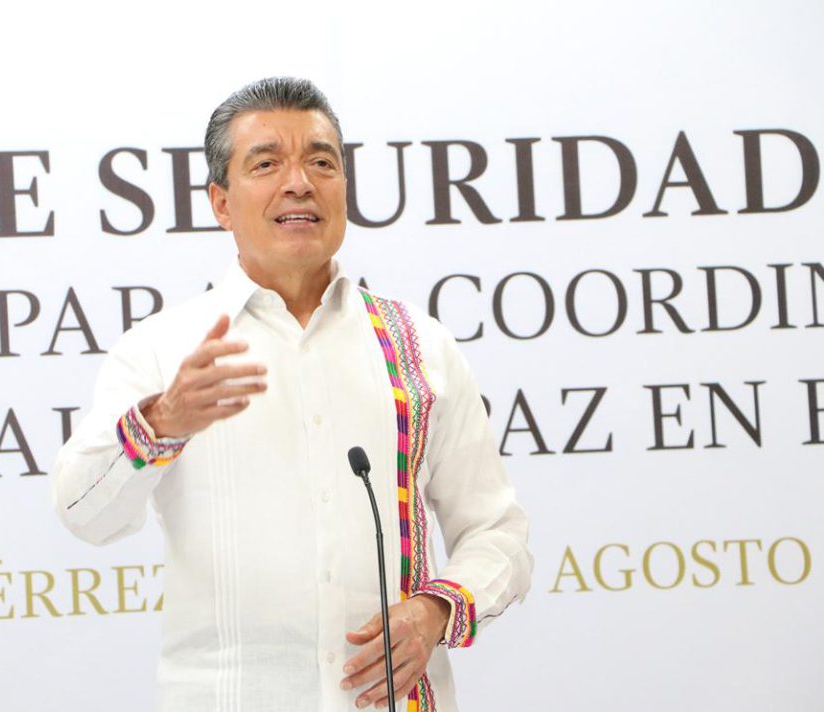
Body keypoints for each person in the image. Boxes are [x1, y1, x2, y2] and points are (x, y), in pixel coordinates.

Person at [51, 77, 532, 712]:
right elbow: (84, 513)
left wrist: (435, 611)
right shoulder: (163, 351)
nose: (299, 183)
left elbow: (497, 531)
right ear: (221, 203)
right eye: (267, 163)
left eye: (321, 162)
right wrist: (162, 421)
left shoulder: (420, 346)